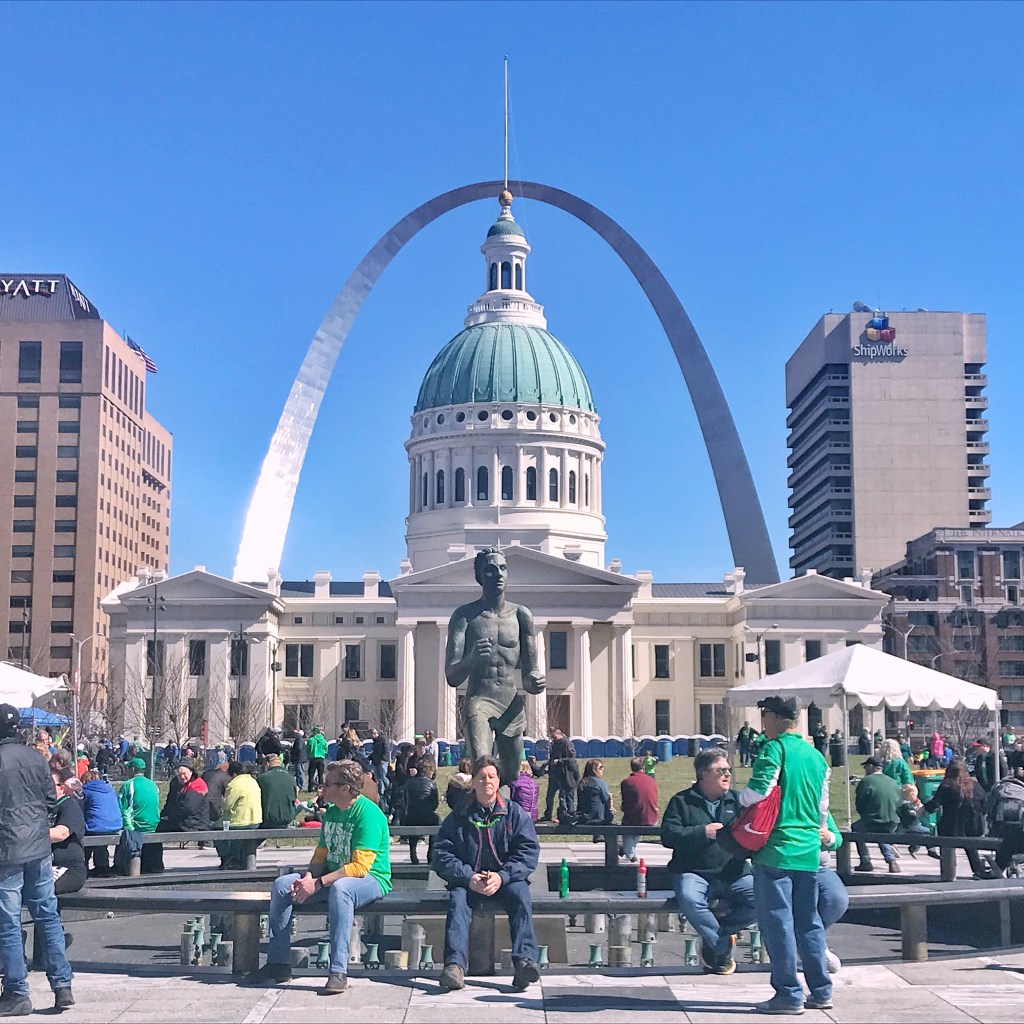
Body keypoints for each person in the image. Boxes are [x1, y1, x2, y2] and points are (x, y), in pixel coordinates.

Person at [248, 759, 392, 995]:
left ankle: (338, 970)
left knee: (342, 889)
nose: (321, 787)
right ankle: (279, 963)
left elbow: (360, 868)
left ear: (345, 788)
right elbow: (320, 855)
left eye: (327, 783)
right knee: (283, 885)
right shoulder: (333, 813)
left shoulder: (369, 815)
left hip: (372, 879)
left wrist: (318, 883)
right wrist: (307, 878)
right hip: (332, 877)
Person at [735, 695, 832, 1015]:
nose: (762, 723)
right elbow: (822, 808)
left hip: (777, 849)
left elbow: (759, 791)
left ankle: (788, 993)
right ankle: (821, 990)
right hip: (809, 850)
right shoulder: (817, 757)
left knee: (778, 925)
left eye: (765, 716)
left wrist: (739, 798)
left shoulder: (775, 749)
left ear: (777, 718)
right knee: (810, 923)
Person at [432, 755, 541, 993]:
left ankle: (524, 961)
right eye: (481, 777)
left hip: (504, 880)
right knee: (457, 902)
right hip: (469, 881)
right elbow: (441, 854)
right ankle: (455, 966)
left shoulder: (514, 814)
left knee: (521, 895)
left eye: (492, 776)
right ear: (473, 782)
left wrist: (503, 876)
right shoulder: (458, 817)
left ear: (499, 781)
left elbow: (528, 852)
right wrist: (467, 877)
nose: (487, 782)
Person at [444, 547, 546, 787]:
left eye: (502, 568)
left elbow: (530, 672)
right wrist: (472, 659)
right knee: (483, 767)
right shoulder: (465, 617)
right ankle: (479, 816)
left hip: (510, 702)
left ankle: (503, 817)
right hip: (479, 700)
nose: (498, 574)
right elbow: (451, 676)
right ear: (479, 577)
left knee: (510, 774)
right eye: (490, 570)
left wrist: (535, 682)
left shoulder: (522, 615)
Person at [0, 703, 75, 1014]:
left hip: (6, 849)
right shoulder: (36, 757)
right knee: (47, 915)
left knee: (8, 922)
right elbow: (49, 800)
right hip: (39, 846)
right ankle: (62, 985)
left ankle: (17, 991)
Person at [661, 747, 754, 975]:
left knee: (764, 897)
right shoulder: (682, 802)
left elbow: (753, 832)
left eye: (729, 770)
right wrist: (702, 832)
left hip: (734, 873)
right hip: (694, 872)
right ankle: (722, 946)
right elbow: (668, 835)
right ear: (703, 774)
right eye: (721, 770)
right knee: (689, 899)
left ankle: (719, 936)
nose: (727, 775)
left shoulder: (737, 801)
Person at [923, 760, 988, 876]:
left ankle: (949, 871)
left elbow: (934, 805)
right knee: (971, 848)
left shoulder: (947, 785)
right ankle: (978, 869)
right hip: (973, 826)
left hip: (951, 826)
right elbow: (984, 805)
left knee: (947, 846)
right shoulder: (976, 786)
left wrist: (923, 808)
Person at [852, 757, 901, 873]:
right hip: (893, 821)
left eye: (866, 766)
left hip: (873, 820)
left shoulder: (866, 781)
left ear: (871, 767)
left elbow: (860, 802)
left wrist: (864, 814)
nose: (864, 769)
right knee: (881, 834)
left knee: (856, 828)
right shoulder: (892, 781)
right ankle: (891, 860)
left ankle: (865, 860)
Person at [118, 757, 161, 873]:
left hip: (137, 827)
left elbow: (122, 809)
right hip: (154, 826)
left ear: (132, 769)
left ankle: (121, 866)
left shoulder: (128, 784)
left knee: (122, 837)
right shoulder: (153, 785)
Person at [217, 762, 263, 869]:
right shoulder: (253, 781)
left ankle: (229, 859)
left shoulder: (234, 784)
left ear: (233, 774)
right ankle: (240, 859)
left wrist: (222, 801)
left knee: (216, 831)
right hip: (255, 820)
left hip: (239, 821)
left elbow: (227, 805)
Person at [49, 769, 88, 895]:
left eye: (50, 784)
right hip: (42, 866)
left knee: (40, 889)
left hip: (68, 869)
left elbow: (61, 834)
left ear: (62, 788)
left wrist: (27, 832)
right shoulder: (41, 808)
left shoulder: (69, 806)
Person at [81, 768, 123, 877]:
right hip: (115, 825)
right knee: (101, 845)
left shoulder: (86, 791)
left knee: (85, 841)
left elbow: (81, 810)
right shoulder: (110, 789)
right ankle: (102, 866)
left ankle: (83, 867)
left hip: (96, 827)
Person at [620, 756, 659, 863]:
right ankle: (627, 848)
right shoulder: (652, 780)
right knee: (640, 821)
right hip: (652, 817)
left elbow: (626, 804)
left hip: (635, 818)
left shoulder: (627, 782)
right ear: (643, 766)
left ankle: (630, 854)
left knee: (627, 827)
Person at [403, 757, 439, 864]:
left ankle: (413, 853)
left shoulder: (409, 782)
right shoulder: (432, 784)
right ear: (428, 771)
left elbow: (405, 801)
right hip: (427, 816)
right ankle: (430, 855)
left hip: (411, 816)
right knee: (437, 822)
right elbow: (435, 803)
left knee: (410, 820)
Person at [897, 783, 939, 859]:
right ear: (911, 795)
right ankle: (931, 850)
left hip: (912, 826)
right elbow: (915, 814)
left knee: (922, 834)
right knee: (930, 832)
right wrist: (920, 810)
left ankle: (914, 847)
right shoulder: (906, 806)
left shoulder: (903, 803)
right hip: (911, 827)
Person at [539, 728, 571, 822]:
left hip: (562, 774)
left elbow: (571, 758)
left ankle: (562, 815)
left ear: (559, 734)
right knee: (549, 796)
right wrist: (547, 763)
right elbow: (552, 757)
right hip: (553, 774)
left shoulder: (566, 743)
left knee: (562, 796)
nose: (553, 739)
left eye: (554, 736)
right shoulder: (554, 744)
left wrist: (560, 761)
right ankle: (548, 814)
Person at [576, 759, 614, 828]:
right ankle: (602, 837)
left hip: (583, 817)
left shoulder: (582, 783)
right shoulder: (599, 783)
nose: (603, 769)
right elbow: (606, 799)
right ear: (594, 769)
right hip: (598, 818)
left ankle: (598, 837)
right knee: (610, 811)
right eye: (600, 767)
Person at [203, 752, 231, 825]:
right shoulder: (224, 777)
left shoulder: (206, 774)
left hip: (202, 806)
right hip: (214, 808)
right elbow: (228, 795)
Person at [307, 727, 328, 792]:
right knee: (320, 774)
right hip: (321, 758)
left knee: (311, 774)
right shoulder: (324, 741)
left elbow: (308, 749)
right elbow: (326, 750)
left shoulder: (311, 740)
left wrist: (309, 754)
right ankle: (321, 788)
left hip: (313, 758)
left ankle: (310, 788)